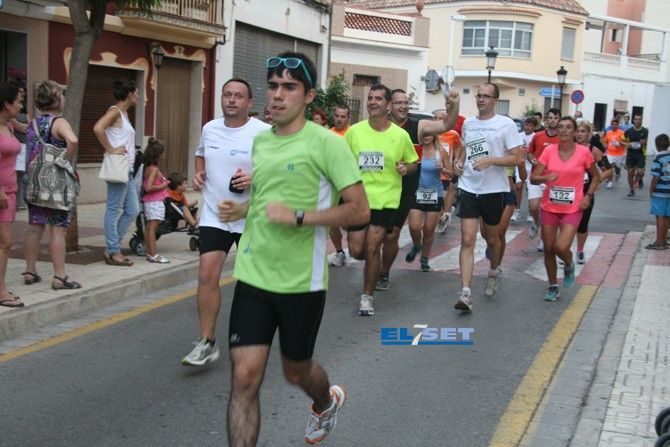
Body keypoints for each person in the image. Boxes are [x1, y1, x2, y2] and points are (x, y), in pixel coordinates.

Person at [219, 52, 369, 446]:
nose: (278, 95)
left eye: (289, 87)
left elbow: (359, 210)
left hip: (302, 281)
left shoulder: (327, 144)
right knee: (244, 377)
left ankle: (325, 401)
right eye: (273, 86)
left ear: (309, 95)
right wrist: (243, 209)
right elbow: (268, 197)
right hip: (253, 274)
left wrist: (299, 217)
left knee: (295, 371)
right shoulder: (261, 142)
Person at [181, 78, 270, 367]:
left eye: (238, 96)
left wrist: (255, 178)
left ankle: (252, 338)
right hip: (215, 214)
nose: (231, 100)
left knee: (252, 282)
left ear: (249, 102)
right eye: (227, 94)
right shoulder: (210, 128)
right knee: (207, 274)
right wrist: (199, 175)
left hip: (249, 215)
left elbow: (277, 169)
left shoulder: (264, 132)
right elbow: (200, 154)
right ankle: (206, 341)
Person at [375, 88, 459, 292]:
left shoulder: (418, 127)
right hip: (379, 189)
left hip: (408, 191)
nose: (404, 106)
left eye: (406, 102)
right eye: (399, 102)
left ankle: (383, 272)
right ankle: (373, 268)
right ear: (389, 105)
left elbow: (446, 124)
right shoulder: (377, 127)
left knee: (392, 235)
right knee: (373, 237)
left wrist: (454, 105)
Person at [345, 84, 418, 316]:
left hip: (386, 199)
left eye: (378, 99)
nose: (372, 102)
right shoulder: (354, 131)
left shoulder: (400, 135)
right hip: (358, 199)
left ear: (387, 105)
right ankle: (372, 263)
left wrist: (406, 168)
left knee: (373, 246)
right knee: (356, 250)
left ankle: (367, 297)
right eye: (370, 98)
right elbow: (342, 161)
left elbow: (413, 163)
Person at [451, 83, 524, 311]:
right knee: (467, 239)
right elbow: (466, 148)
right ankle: (465, 293)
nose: (481, 99)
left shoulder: (506, 124)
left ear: (495, 100)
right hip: (469, 187)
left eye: (486, 96)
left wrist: (492, 160)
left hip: (493, 190)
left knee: (492, 237)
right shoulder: (469, 123)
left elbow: (518, 158)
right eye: (479, 95)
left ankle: (493, 271)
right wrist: (459, 162)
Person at [530, 116, 599, 301]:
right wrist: (546, 178)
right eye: (561, 127)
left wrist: (588, 196)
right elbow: (533, 178)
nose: (564, 130)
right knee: (548, 248)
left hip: (573, 207)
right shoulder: (549, 151)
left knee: (561, 247)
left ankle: (568, 263)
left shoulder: (584, 152)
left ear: (574, 132)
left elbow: (596, 176)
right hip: (550, 206)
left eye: (568, 127)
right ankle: (553, 286)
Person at [23, 80, 81, 290]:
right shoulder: (59, 122)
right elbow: (72, 141)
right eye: (61, 94)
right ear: (56, 99)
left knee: (34, 227)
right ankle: (59, 277)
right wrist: (65, 161)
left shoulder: (33, 124)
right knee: (57, 230)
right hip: (55, 187)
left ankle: (30, 271)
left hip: (34, 183)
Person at [93, 78, 140, 267]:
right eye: (137, 92)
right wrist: (111, 149)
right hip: (118, 167)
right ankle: (113, 251)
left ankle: (112, 247)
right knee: (113, 210)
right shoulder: (115, 111)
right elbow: (98, 128)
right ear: (129, 94)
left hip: (127, 169)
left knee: (133, 209)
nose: (138, 96)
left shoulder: (124, 114)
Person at [405, 133, 450, 271]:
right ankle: (417, 244)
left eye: (429, 134)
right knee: (414, 226)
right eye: (424, 134)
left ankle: (424, 259)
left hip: (435, 194)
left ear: (434, 135)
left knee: (429, 229)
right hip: (416, 193)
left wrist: (442, 168)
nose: (426, 137)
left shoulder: (441, 151)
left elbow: (451, 174)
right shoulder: (415, 149)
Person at [0, 82, 24, 307]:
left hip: (10, 192)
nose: (21, 105)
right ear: (7, 104)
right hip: (1, 194)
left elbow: (26, 127)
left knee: (4, 243)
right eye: (18, 101)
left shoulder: (8, 125)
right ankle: (0, 291)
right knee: (5, 243)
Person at [575, 121, 612, 263]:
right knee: (567, 223)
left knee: (582, 223)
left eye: (583, 131)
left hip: (586, 191)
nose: (579, 134)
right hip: (570, 191)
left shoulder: (594, 150)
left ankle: (580, 250)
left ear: (588, 134)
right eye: (577, 131)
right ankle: (565, 249)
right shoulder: (568, 148)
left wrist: (596, 181)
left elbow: (608, 170)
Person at [527, 109, 560, 250]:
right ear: (546, 119)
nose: (552, 120)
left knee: (548, 212)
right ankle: (536, 222)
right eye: (550, 118)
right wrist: (532, 159)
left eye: (555, 118)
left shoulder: (562, 138)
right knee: (533, 207)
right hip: (537, 177)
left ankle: (542, 239)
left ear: (559, 120)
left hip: (553, 180)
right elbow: (529, 152)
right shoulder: (538, 136)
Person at [328, 104, 351, 267]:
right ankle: (339, 252)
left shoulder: (353, 134)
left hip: (349, 184)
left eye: (343, 117)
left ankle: (355, 243)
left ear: (348, 118)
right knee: (332, 222)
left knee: (349, 224)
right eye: (337, 116)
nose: (339, 119)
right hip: (332, 185)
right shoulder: (327, 134)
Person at [141, 138, 170, 264]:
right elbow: (148, 187)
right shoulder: (154, 169)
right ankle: (154, 254)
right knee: (152, 229)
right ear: (157, 155)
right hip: (155, 202)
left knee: (149, 228)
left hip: (152, 202)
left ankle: (150, 253)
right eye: (162, 154)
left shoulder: (148, 168)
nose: (163, 156)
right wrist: (163, 185)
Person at [646, 133, 670, 250]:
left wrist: (651, 190)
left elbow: (655, 176)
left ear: (656, 146)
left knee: (659, 216)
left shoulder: (658, 158)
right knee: (667, 216)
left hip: (660, 191)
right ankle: (664, 240)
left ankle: (659, 241)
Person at [512, 116, 536, 223]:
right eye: (526, 125)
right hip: (520, 164)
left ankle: (531, 212)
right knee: (518, 186)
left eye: (530, 125)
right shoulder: (519, 135)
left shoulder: (535, 137)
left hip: (531, 165)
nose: (528, 127)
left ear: (534, 127)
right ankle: (516, 211)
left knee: (531, 189)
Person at [624, 114, 648, 197]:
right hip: (630, 154)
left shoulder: (645, 131)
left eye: (639, 119)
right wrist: (626, 144)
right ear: (633, 120)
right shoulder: (628, 131)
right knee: (630, 173)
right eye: (636, 119)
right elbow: (622, 140)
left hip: (641, 154)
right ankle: (631, 190)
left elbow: (646, 140)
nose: (638, 121)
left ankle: (640, 180)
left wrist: (644, 142)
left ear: (641, 121)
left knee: (641, 172)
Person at [602, 117, 626, 189]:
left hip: (619, 154)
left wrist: (619, 144)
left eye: (616, 124)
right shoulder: (608, 133)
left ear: (618, 125)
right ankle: (610, 182)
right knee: (610, 167)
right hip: (610, 153)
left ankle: (618, 173)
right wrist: (605, 149)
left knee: (617, 167)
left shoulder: (622, 133)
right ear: (611, 125)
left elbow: (625, 143)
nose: (614, 125)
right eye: (613, 124)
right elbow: (606, 142)